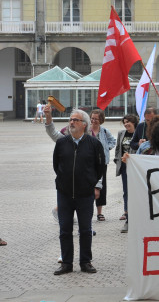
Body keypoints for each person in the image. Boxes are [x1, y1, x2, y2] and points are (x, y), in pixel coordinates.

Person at [52, 109, 105, 275]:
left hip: (85, 194)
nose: (71, 122)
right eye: (70, 119)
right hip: (64, 193)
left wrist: (91, 183)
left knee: (85, 230)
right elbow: (56, 165)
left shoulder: (94, 144)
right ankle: (66, 263)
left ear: (84, 124)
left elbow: (100, 168)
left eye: (75, 120)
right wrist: (64, 180)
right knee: (65, 229)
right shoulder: (62, 143)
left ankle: (85, 262)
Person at [89, 109, 115, 222]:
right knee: (88, 187)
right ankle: (87, 212)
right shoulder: (87, 130)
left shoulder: (104, 131)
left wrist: (107, 148)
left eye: (96, 119)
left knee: (101, 187)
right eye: (92, 118)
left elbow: (113, 141)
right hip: (88, 162)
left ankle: (99, 213)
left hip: (102, 163)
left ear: (101, 120)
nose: (94, 121)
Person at [113, 114, 137, 233]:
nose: (126, 124)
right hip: (124, 167)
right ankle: (128, 218)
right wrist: (117, 159)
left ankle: (137, 217)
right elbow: (118, 147)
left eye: (128, 122)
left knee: (136, 192)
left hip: (136, 168)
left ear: (134, 122)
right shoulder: (121, 133)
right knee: (126, 192)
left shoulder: (139, 133)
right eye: (125, 122)